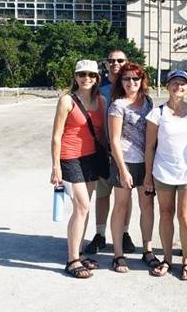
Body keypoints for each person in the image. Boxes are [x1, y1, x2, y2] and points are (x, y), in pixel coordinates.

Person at [50, 60, 105, 279]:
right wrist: (55, 167)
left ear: (97, 78)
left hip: (91, 158)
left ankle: (79, 252)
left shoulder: (100, 101)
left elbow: (101, 133)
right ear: (75, 77)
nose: (86, 79)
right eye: (82, 75)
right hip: (69, 158)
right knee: (81, 206)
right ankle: (72, 260)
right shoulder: (67, 100)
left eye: (91, 75)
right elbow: (56, 136)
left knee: (85, 207)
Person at [144, 70, 187, 280]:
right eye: (175, 83)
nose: (179, 87)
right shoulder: (156, 113)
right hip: (163, 172)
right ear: (167, 86)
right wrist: (148, 176)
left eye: (183, 84)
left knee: (186, 217)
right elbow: (149, 147)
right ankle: (166, 259)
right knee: (166, 215)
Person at [108, 62, 159, 273]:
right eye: (127, 78)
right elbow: (114, 140)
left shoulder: (147, 101)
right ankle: (118, 254)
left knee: (147, 205)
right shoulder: (117, 105)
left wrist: (150, 168)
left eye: (135, 79)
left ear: (142, 80)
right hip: (124, 162)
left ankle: (147, 250)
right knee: (121, 205)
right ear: (121, 81)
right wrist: (123, 169)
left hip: (146, 162)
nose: (131, 82)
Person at [84, 49, 135, 255]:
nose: (115, 64)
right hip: (104, 149)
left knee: (125, 195)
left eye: (120, 60)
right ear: (105, 64)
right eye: (111, 61)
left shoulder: (133, 84)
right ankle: (100, 233)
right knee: (103, 194)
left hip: (128, 152)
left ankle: (123, 232)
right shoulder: (98, 88)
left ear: (127, 62)